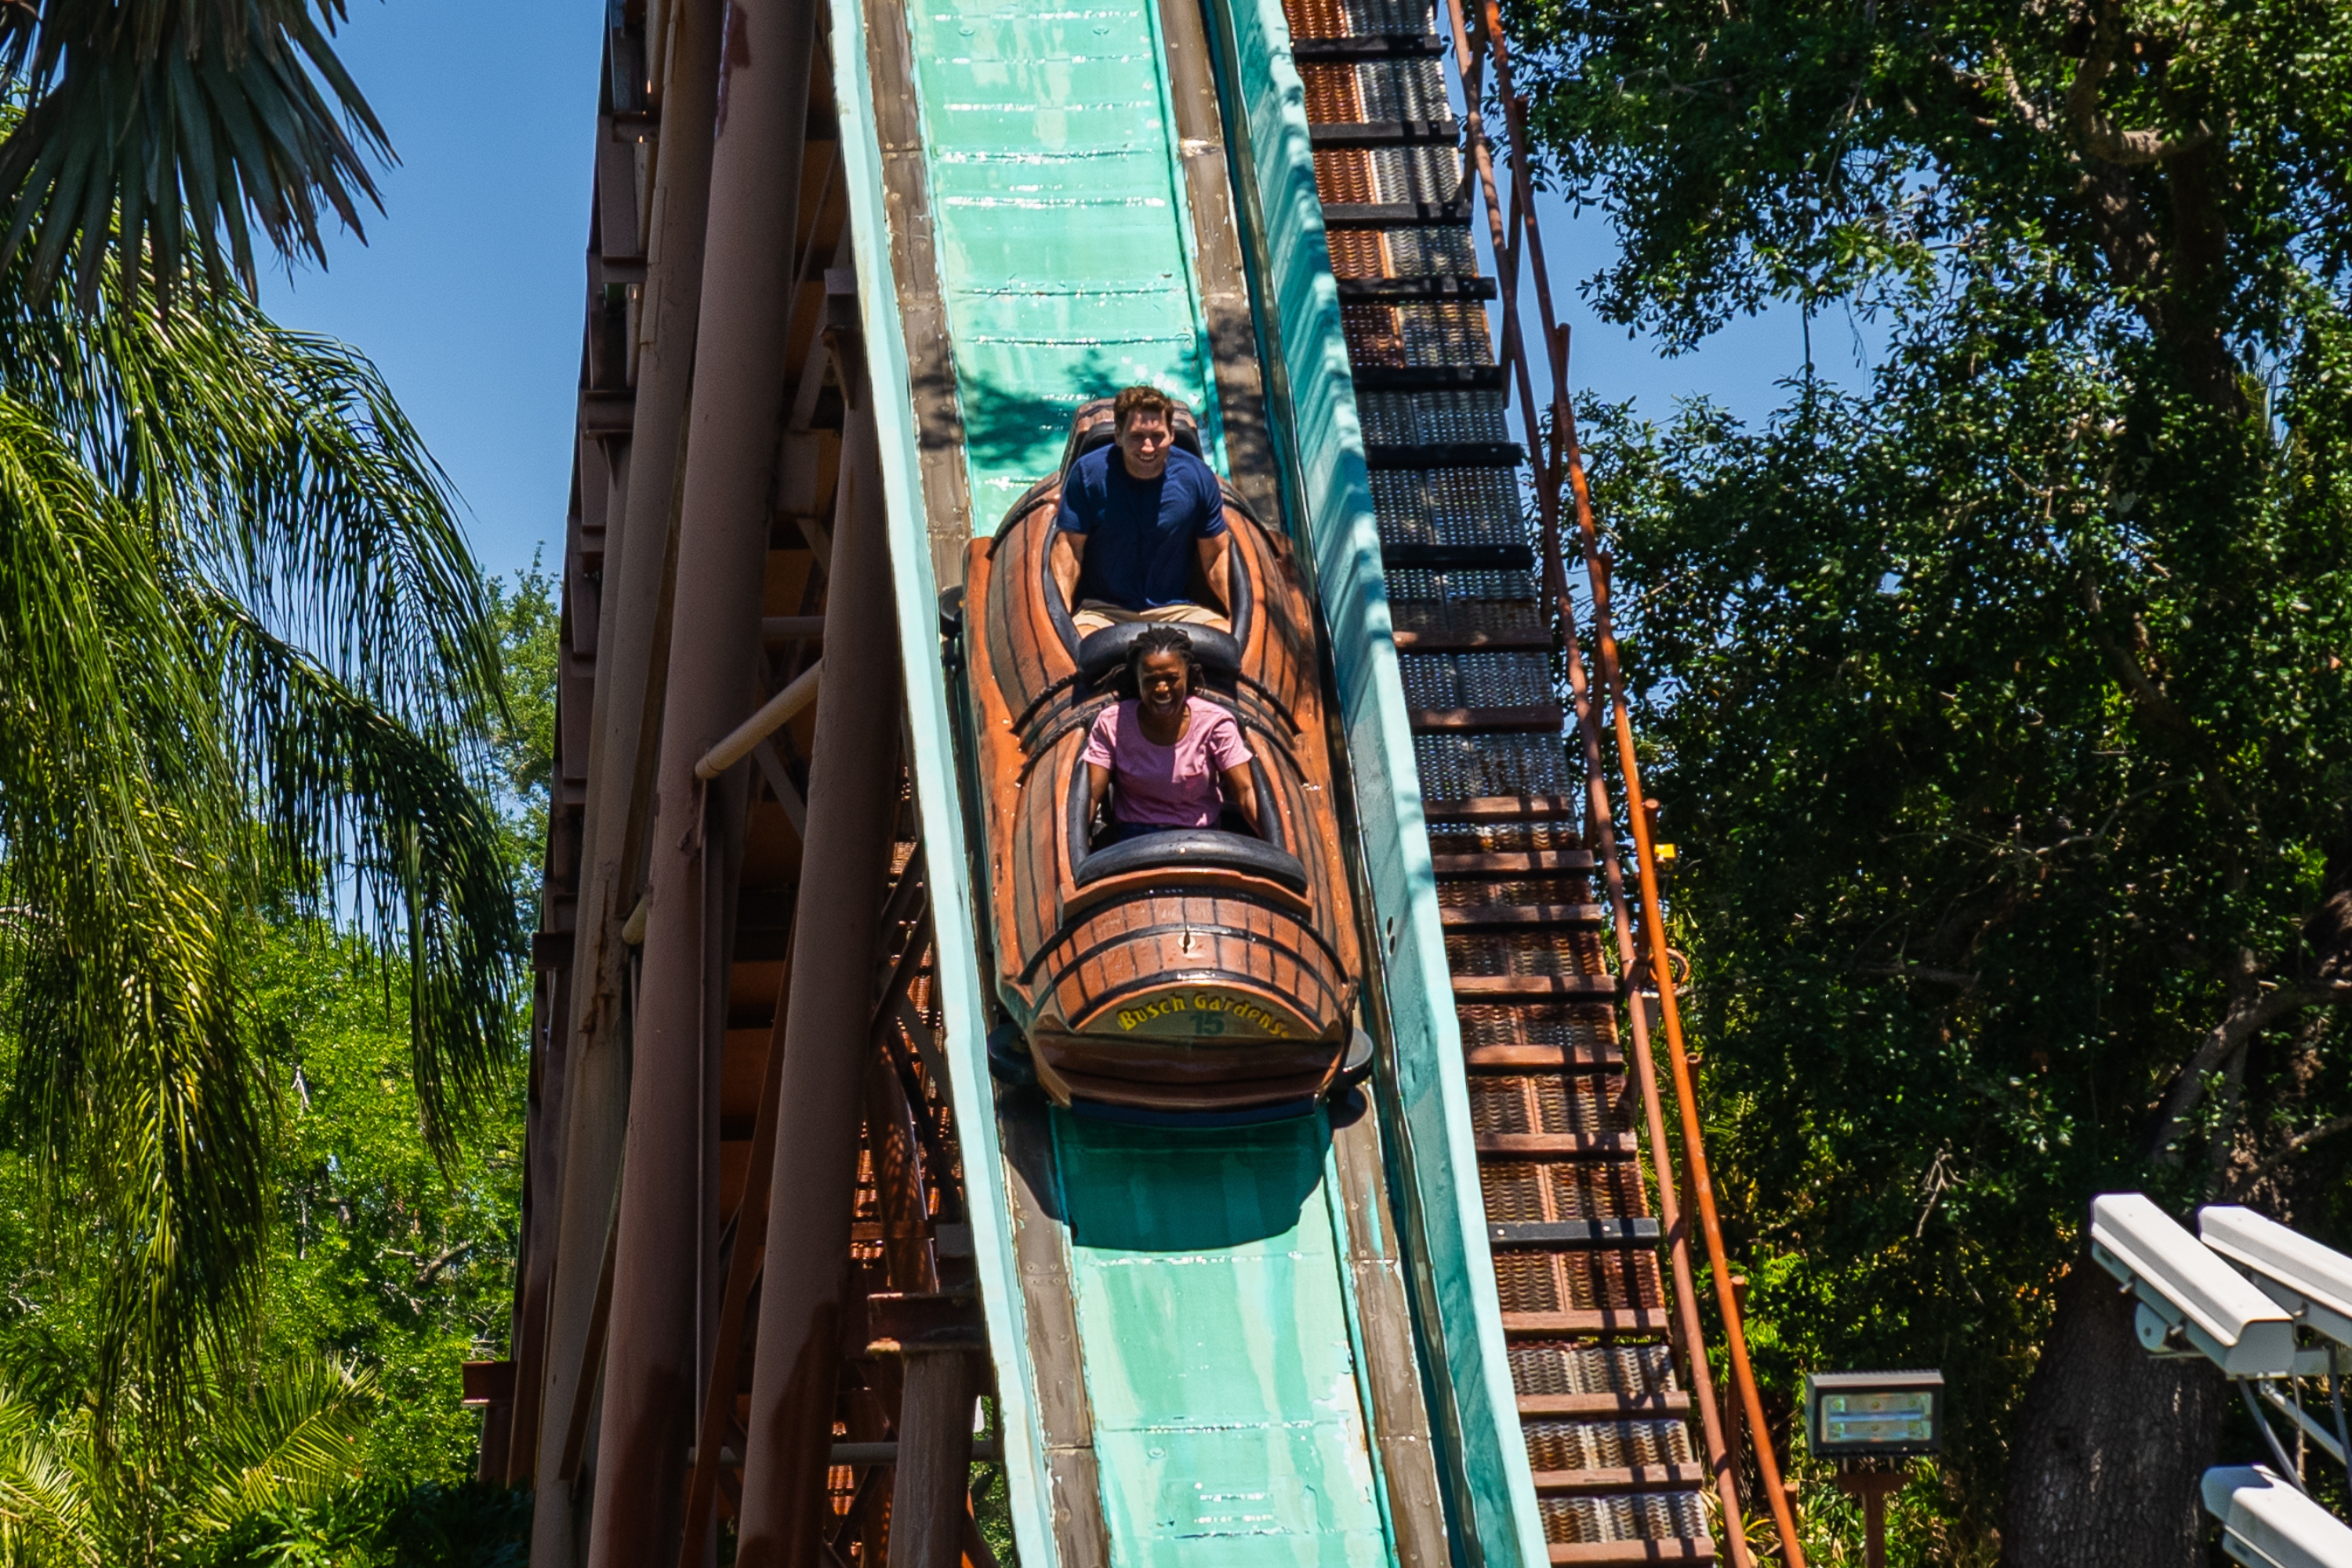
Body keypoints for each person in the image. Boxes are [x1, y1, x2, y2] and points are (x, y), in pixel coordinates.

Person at [1051, 384, 1232, 635]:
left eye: (1157, 436)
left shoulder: (1197, 478)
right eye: (1137, 436)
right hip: (1103, 610)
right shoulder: (1087, 474)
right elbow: (1069, 549)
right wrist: (1060, 620)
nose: (1148, 447)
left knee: (1225, 635)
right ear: (1118, 436)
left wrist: (1235, 614)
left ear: (1171, 434)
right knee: (1078, 646)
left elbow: (1216, 555)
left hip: (1176, 608)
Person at [1081, 626, 1261, 844]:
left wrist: (1278, 845)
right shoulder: (1112, 722)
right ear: (1137, 681)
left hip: (1202, 838)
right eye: (1151, 680)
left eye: (1172, 678)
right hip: (1134, 840)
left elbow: (1245, 791)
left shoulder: (1215, 722)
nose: (1162, 689)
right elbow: (1091, 794)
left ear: (1187, 676)